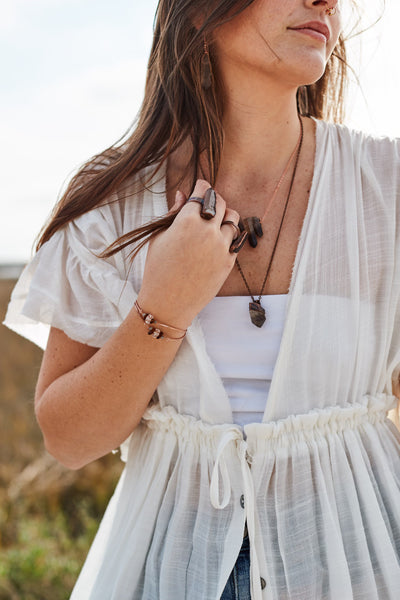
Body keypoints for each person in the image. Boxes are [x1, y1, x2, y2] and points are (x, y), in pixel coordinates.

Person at [4, 0, 400, 598]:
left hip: (364, 564)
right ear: (198, 12)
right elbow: (69, 440)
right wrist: (164, 306)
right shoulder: (114, 204)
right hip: (173, 572)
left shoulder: (385, 186)